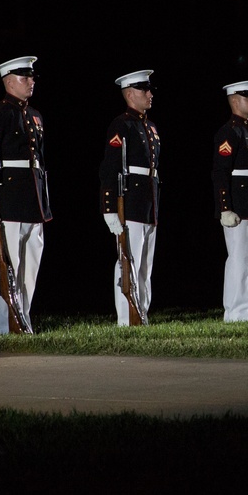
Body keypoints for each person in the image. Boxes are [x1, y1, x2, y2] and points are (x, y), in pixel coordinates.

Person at [0, 56, 51, 333]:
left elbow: (39, 161)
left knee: (29, 266)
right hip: (8, 196)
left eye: (31, 77)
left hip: (32, 196)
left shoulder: (35, 116)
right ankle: (5, 325)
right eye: (24, 77)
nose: (31, 81)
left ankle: (23, 319)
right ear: (8, 81)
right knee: (7, 264)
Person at [99, 70, 160, 326]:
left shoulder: (150, 127)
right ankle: (126, 318)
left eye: (149, 89)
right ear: (129, 93)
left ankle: (141, 313)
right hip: (131, 200)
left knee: (145, 265)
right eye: (144, 90)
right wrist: (109, 207)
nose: (150, 94)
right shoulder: (121, 125)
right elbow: (109, 168)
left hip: (148, 201)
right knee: (128, 261)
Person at [212, 80, 248, 322]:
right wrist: (225, 207)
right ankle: (234, 314)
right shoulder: (229, 132)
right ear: (235, 100)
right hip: (238, 204)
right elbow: (220, 171)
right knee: (238, 260)